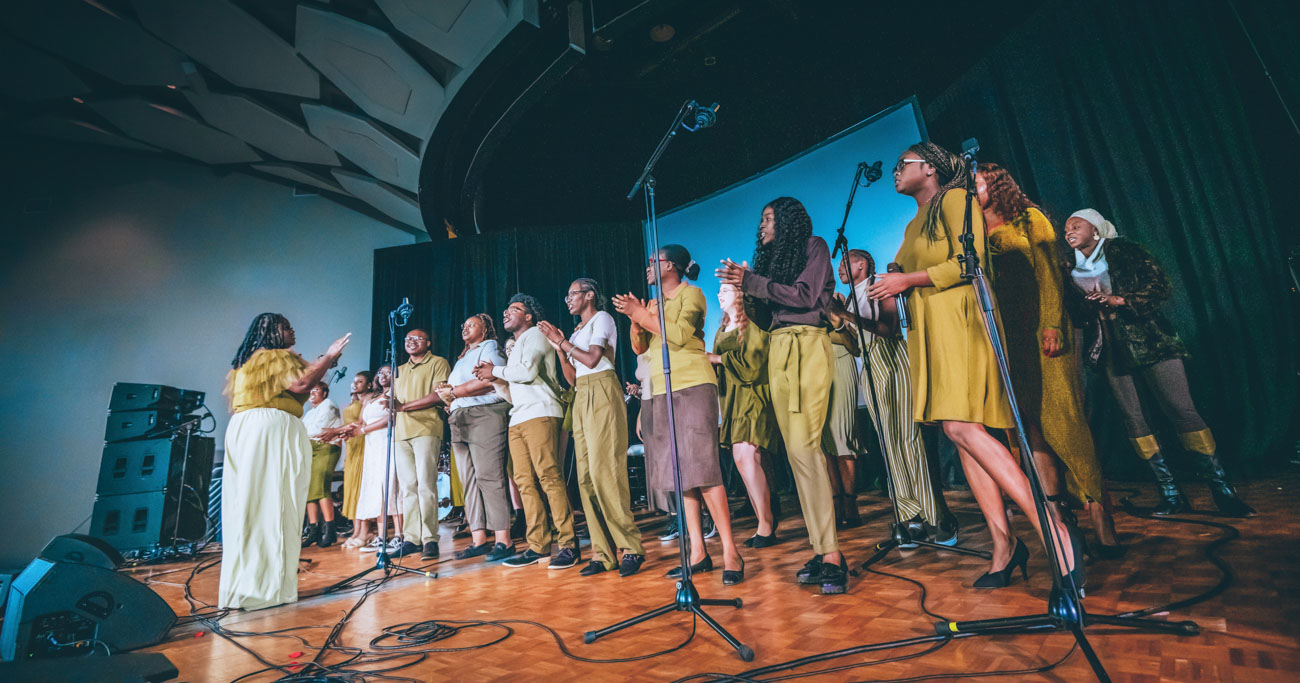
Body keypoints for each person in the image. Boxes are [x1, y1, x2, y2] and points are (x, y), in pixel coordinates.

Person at [867, 143, 1078, 590]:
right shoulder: (913, 222)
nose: (894, 172)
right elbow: (912, 267)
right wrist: (894, 279)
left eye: (901, 164)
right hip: (931, 330)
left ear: (929, 168)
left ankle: (1053, 532)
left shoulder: (956, 200)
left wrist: (907, 279)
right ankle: (1004, 546)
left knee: (962, 428)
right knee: (963, 438)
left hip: (961, 323)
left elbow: (970, 263)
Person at [1063, 209, 1254, 517]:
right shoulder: (1071, 267)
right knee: (1134, 420)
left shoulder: (1123, 250)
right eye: (1066, 228)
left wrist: (1120, 300)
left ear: (1095, 230)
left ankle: (1223, 491)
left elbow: (1159, 285)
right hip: (1111, 346)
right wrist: (1089, 309)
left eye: (1076, 225)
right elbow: (1075, 312)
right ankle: (1171, 494)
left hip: (1150, 339)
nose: (1068, 231)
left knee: (1181, 410)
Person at [974, 164, 1122, 555]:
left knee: (1065, 422)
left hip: (1043, 332)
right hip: (1008, 340)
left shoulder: (1029, 218)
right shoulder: (971, 234)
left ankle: (1100, 515)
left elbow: (1049, 276)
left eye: (978, 182)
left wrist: (1053, 325)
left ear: (997, 184)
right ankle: (1059, 520)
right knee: (1028, 429)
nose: (972, 189)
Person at [717, 199, 848, 594]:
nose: (762, 226)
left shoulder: (815, 247)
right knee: (796, 454)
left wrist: (753, 283)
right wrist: (740, 293)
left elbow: (806, 296)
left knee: (806, 448)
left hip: (807, 345)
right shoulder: (773, 264)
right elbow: (764, 315)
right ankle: (823, 549)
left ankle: (832, 555)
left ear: (789, 221)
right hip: (778, 350)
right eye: (761, 220)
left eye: (769, 219)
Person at [617, 245, 745, 586]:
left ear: (671, 265)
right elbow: (640, 349)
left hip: (691, 384)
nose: (647, 268)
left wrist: (643, 316)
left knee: (702, 468)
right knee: (679, 473)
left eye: (652, 262)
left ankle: (731, 550)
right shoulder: (655, 304)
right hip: (659, 389)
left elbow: (679, 335)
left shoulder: (694, 294)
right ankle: (697, 552)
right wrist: (636, 319)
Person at [828, 248, 959, 544]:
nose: (841, 269)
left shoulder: (879, 285)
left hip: (890, 357)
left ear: (862, 264)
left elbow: (887, 329)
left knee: (907, 439)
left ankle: (937, 516)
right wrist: (837, 320)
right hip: (870, 365)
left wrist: (846, 315)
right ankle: (908, 517)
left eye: (846, 263)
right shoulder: (849, 298)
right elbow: (854, 347)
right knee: (889, 445)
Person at [219, 313, 349, 610]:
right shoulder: (276, 356)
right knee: (276, 504)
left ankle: (244, 588)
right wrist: (329, 356)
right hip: (271, 429)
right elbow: (302, 385)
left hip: (246, 429)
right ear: (273, 331)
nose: (292, 331)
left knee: (249, 507)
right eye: (287, 326)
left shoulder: (247, 363)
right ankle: (267, 590)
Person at [540, 278, 646, 577]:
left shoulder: (603, 318)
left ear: (588, 295)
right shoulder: (576, 332)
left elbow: (593, 357)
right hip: (583, 392)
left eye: (572, 294)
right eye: (567, 295)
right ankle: (602, 553)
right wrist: (560, 348)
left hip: (602, 389)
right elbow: (573, 377)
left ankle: (631, 548)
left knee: (607, 473)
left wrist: (563, 343)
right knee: (585, 478)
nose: (568, 300)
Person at [473, 294, 580, 570]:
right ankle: (538, 545)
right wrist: (494, 379)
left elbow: (528, 372)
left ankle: (568, 544)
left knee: (548, 476)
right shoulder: (517, 345)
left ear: (529, 315)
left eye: (515, 309)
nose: (507, 313)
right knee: (524, 482)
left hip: (541, 412)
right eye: (506, 309)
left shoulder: (534, 335)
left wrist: (496, 369)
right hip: (519, 415)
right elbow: (514, 391)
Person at [411, 314, 515, 562]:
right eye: (463, 325)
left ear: (485, 329)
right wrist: (450, 400)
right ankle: (478, 538)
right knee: (468, 480)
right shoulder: (462, 358)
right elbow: (455, 392)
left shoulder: (489, 347)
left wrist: (454, 393)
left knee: (489, 476)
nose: (465, 328)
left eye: (471, 325)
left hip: (485, 414)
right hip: (459, 418)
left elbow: (491, 381)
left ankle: (503, 539)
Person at [709, 283, 779, 547]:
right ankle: (763, 522)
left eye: (726, 290)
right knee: (742, 460)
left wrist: (717, 360)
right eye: (719, 290)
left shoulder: (749, 326)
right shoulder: (721, 329)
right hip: (731, 399)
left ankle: (767, 523)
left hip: (751, 396)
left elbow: (754, 365)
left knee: (748, 456)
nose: (719, 294)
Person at [389, 329, 451, 560]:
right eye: (407, 339)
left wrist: (403, 407)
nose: (411, 342)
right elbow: (394, 401)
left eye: (417, 339)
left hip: (426, 429)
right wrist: (390, 403)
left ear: (428, 342)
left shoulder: (438, 362)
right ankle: (411, 538)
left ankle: (430, 539)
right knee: (408, 488)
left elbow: (438, 395)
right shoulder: (400, 369)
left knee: (426, 485)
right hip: (400, 433)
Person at [352, 366, 403, 552]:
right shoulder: (374, 398)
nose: (383, 375)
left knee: (391, 487)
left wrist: (364, 430)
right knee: (377, 491)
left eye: (388, 372)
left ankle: (398, 535)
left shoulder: (397, 393)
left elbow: (392, 417)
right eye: (380, 373)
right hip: (373, 447)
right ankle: (381, 536)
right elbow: (363, 422)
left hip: (388, 443)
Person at [300, 381, 342, 548]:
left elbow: (318, 429)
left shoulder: (329, 405)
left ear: (324, 393)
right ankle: (313, 529)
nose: (311, 393)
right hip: (311, 449)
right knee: (310, 489)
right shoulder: (310, 412)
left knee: (322, 487)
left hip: (326, 447)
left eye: (315, 390)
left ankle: (330, 529)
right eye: (310, 391)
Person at [337, 371, 371, 548]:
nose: (355, 384)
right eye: (354, 381)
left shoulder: (367, 400)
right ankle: (356, 530)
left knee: (359, 489)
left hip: (362, 443)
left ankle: (365, 531)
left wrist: (335, 431)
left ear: (369, 384)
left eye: (360, 381)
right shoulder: (353, 401)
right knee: (351, 489)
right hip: (351, 446)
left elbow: (361, 422)